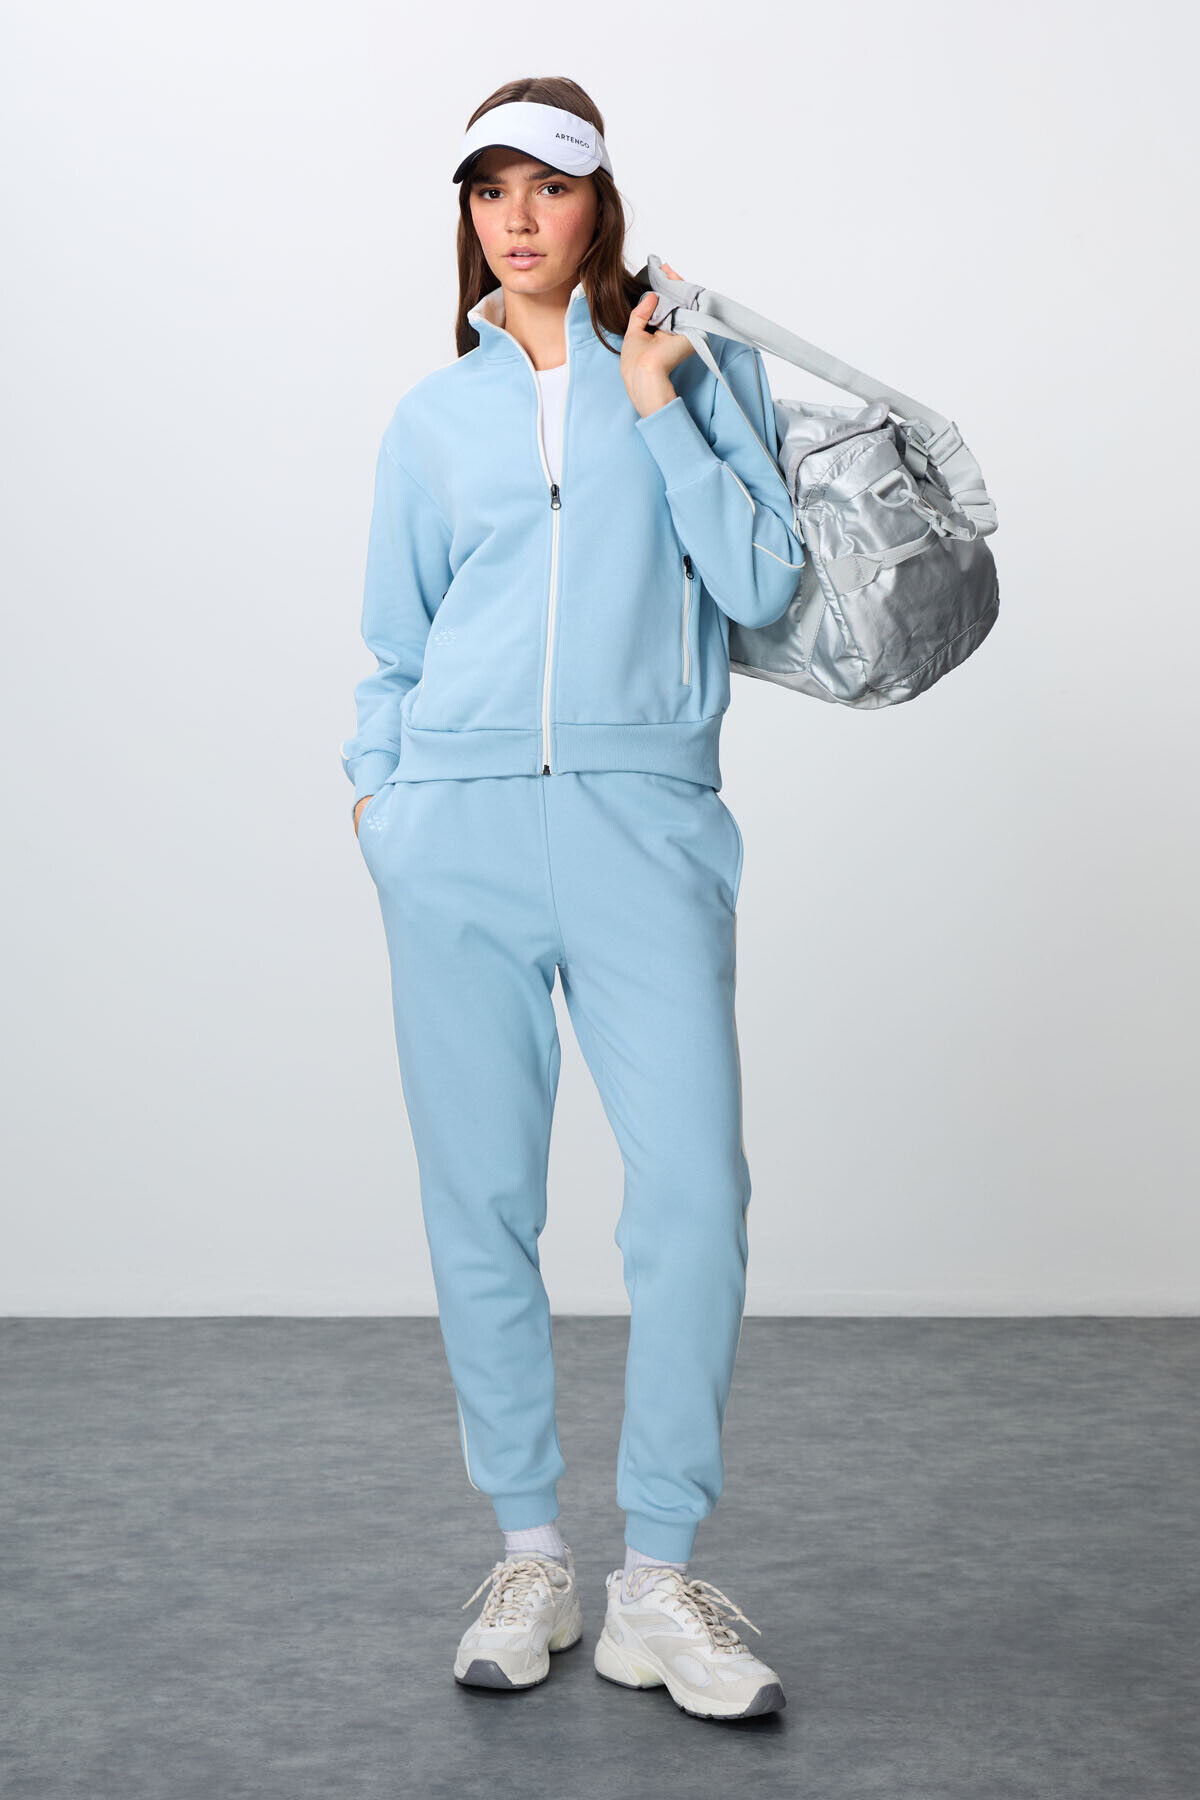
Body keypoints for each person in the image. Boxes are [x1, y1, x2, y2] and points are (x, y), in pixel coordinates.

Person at [340, 76, 804, 1721]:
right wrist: (382, 800)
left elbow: (762, 581)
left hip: (640, 827)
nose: (518, 217)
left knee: (693, 1197)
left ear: (603, 201)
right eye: (490, 190)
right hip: (453, 835)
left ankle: (656, 1580)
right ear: (468, 214)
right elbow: (394, 645)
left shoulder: (694, 368)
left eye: (549, 185)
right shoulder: (429, 421)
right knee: (481, 1202)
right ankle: (530, 1552)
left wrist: (663, 403)